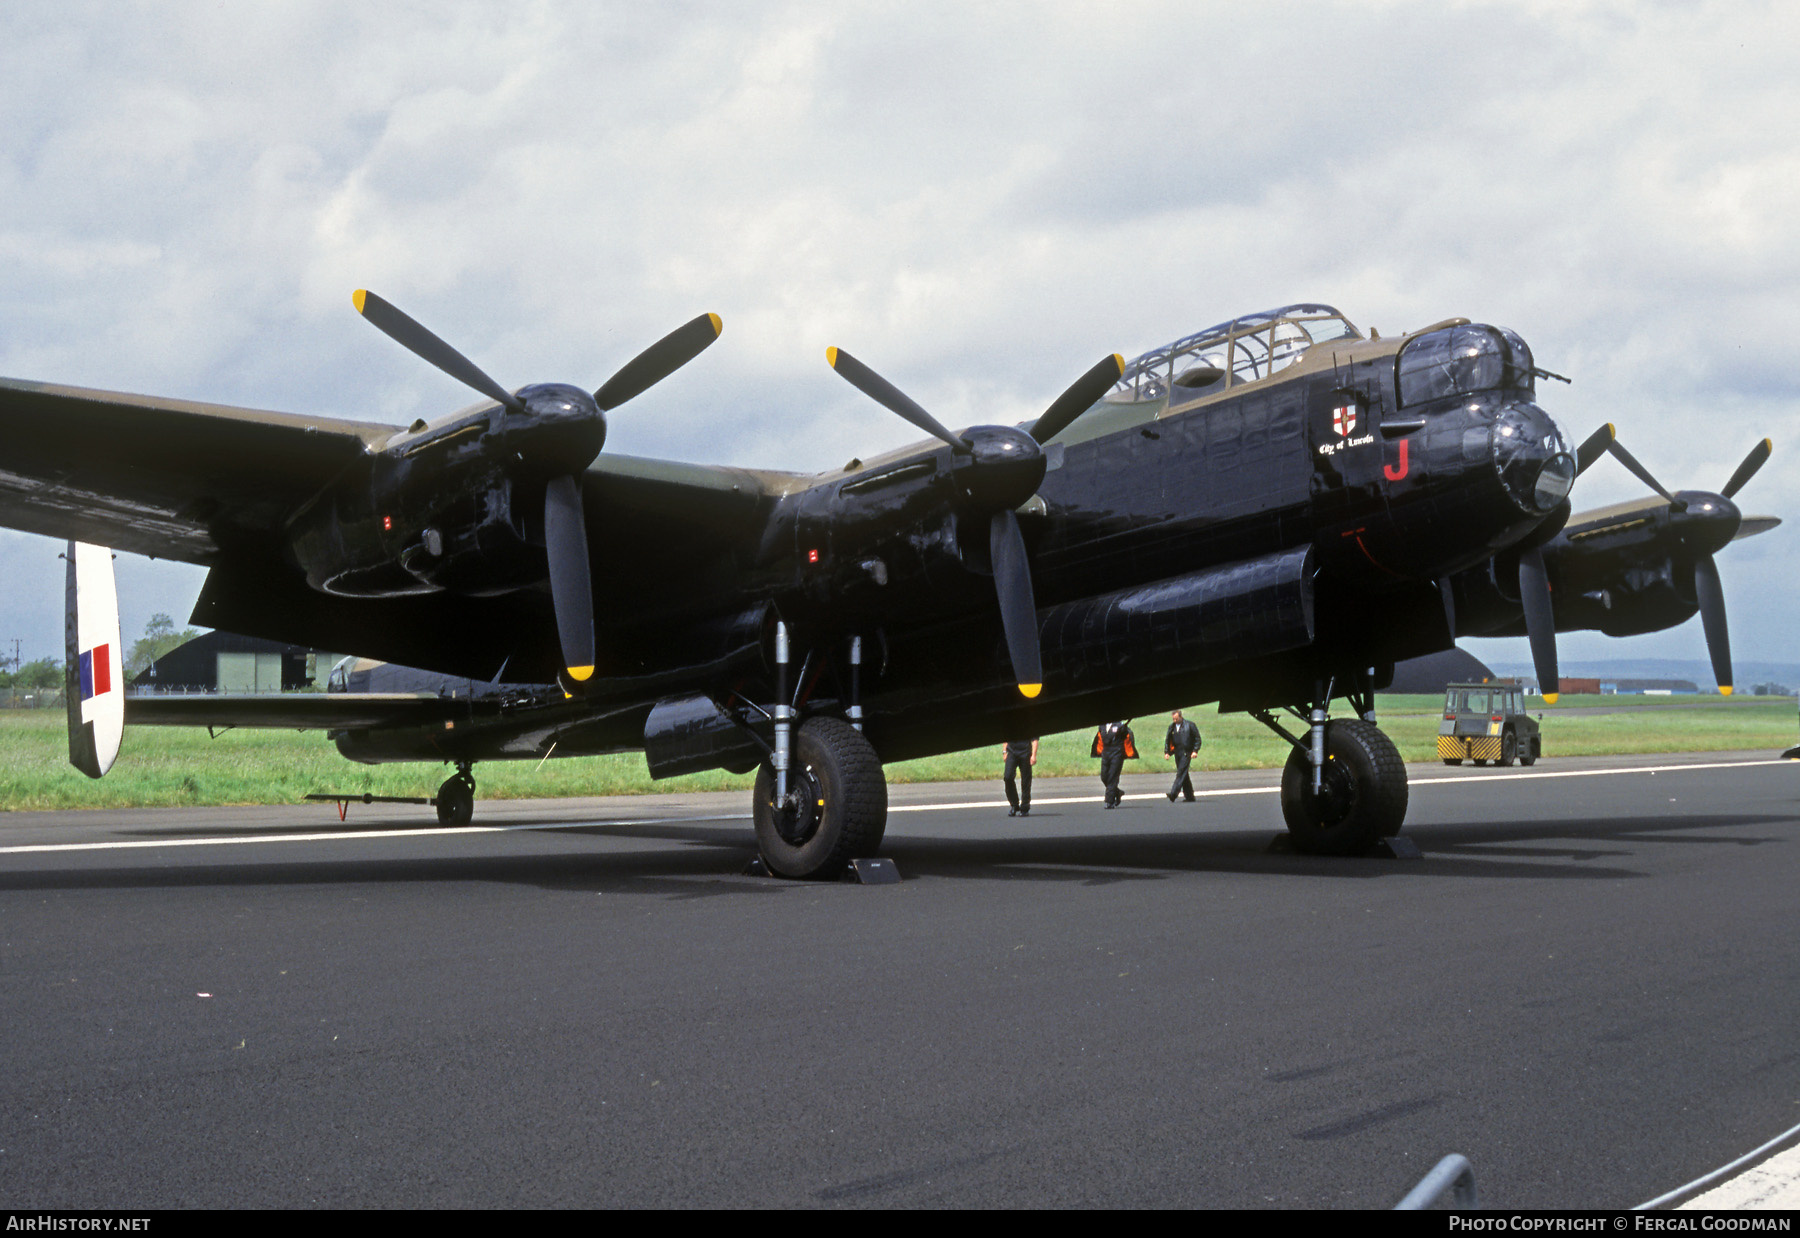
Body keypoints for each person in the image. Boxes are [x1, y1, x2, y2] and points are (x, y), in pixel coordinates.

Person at [1090, 719, 1138, 808]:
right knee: (1104, 777)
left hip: (1117, 754)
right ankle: (1117, 792)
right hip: (1106, 754)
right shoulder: (1102, 726)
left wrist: (1124, 729)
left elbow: (1127, 737)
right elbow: (1100, 739)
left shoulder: (1120, 725)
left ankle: (1109, 802)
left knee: (1112, 778)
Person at [1165, 709, 1201, 802]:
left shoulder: (1190, 725)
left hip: (1186, 753)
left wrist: (1195, 750)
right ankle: (1190, 797)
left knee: (1180, 773)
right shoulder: (1172, 727)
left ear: (1180, 717)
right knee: (1184, 775)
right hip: (1178, 753)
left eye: (1176, 719)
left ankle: (1173, 794)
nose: (1175, 721)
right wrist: (1167, 752)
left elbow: (1197, 738)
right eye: (1173, 719)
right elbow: (1168, 740)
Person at [1000, 736, 1038, 816]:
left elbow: (1034, 740)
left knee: (1026, 781)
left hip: (1025, 753)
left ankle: (1025, 807)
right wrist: (1004, 752)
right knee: (1008, 777)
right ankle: (1014, 805)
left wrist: (1033, 755)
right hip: (1012, 753)